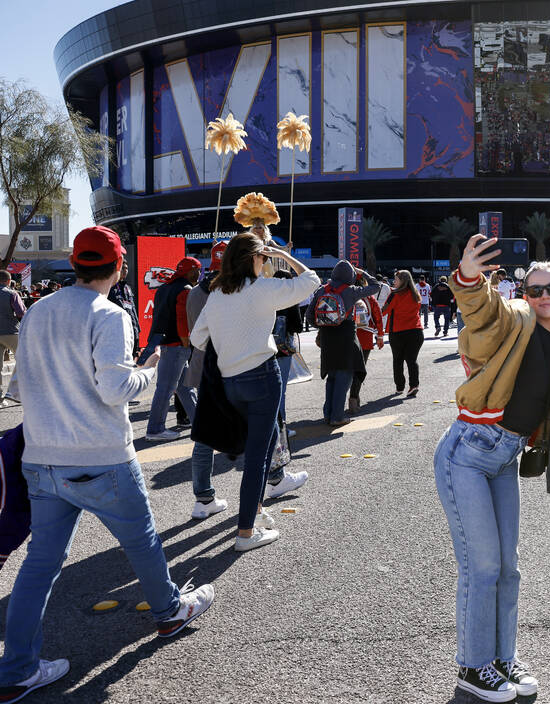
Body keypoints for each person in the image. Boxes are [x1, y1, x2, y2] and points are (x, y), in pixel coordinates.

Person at [0, 227, 215, 702]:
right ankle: (169, 611)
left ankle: (15, 670)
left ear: (76, 264)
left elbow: (18, 389)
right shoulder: (109, 314)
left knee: (40, 565)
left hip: (41, 459)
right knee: (141, 542)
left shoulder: (37, 311)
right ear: (118, 267)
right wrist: (152, 370)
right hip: (101, 457)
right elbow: (115, 391)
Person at [434, 236, 550, 702]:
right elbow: (483, 313)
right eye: (535, 289)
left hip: (505, 458)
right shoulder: (519, 319)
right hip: (468, 452)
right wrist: (469, 278)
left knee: (509, 568)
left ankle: (501, 659)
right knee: (482, 565)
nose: (545, 296)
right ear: (524, 293)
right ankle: (473, 667)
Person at [190, 234, 319, 551]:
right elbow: (311, 280)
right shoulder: (262, 289)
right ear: (254, 258)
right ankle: (245, 532)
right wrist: (283, 255)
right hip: (262, 376)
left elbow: (196, 338)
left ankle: (257, 511)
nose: (266, 260)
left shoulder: (218, 292)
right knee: (258, 456)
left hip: (230, 381)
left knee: (269, 437)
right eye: (263, 256)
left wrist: (228, 344)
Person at [308, 261, 381, 427]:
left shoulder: (322, 290)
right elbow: (375, 286)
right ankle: (337, 416)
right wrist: (362, 273)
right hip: (346, 336)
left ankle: (328, 414)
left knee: (332, 377)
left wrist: (323, 325)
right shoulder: (351, 291)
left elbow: (309, 316)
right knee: (345, 377)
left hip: (327, 338)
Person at [145, 257, 202, 442]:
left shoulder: (164, 288)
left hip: (167, 343)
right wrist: (186, 343)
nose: (200, 274)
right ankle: (155, 429)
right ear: (192, 271)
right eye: (198, 270)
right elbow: (182, 321)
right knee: (166, 388)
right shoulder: (185, 290)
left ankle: (199, 423)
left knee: (184, 387)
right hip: (177, 345)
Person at [382, 270, 425, 397]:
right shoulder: (416, 294)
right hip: (416, 330)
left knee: (398, 360)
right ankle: (414, 385)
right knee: (412, 360)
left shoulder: (394, 295)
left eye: (395, 279)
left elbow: (384, 311)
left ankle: (400, 387)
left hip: (398, 332)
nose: (393, 282)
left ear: (402, 281)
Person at [349, 271, 384, 414]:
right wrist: (380, 336)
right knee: (360, 369)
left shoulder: (346, 295)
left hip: (346, 338)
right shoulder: (369, 298)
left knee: (345, 371)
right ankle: (354, 398)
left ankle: (336, 402)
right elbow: (378, 317)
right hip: (365, 339)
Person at [0, 271, 24, 403]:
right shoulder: (12, 294)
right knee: (23, 359)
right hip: (11, 331)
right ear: (8, 281)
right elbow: (21, 313)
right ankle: (12, 391)